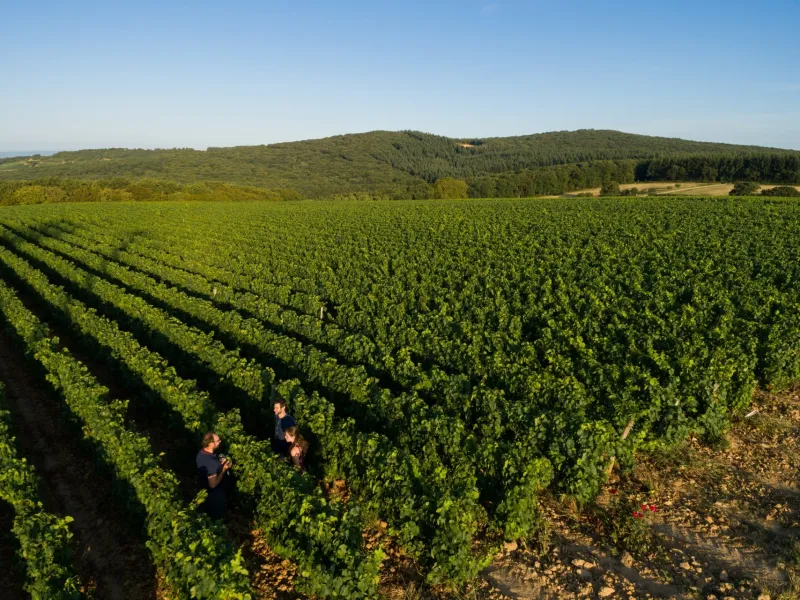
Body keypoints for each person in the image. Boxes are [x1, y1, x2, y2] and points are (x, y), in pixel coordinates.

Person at [196, 432, 232, 519]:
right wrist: (223, 470)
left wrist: (219, 464)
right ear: (211, 443)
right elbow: (213, 484)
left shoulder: (201, 453)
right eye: (218, 441)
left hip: (204, 492)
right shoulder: (212, 462)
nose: (220, 442)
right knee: (217, 519)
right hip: (215, 497)